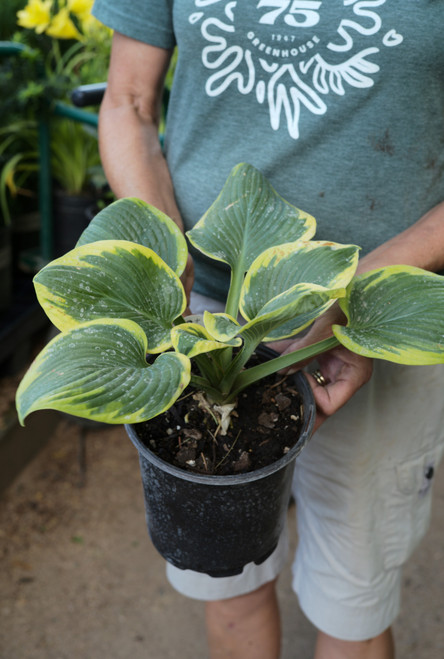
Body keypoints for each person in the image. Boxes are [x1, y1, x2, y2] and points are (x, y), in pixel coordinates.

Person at [91, 2, 444, 657]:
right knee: (229, 586)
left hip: (375, 323)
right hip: (202, 319)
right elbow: (128, 102)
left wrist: (355, 291)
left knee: (353, 601)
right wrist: (164, 255)